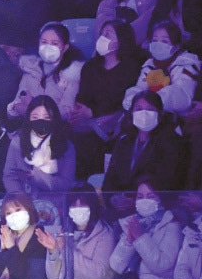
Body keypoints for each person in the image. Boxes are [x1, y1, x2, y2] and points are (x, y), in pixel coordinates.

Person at [70, 19, 143, 179]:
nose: (102, 38)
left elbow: (125, 100)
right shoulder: (90, 67)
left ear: (121, 40)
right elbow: (83, 96)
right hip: (90, 123)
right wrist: (83, 111)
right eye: (102, 34)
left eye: (108, 34)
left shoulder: (132, 68)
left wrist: (94, 112)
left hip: (118, 122)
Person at [104, 90, 184, 193]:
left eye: (150, 109)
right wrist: (113, 199)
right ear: (132, 113)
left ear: (159, 113)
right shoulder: (123, 141)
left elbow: (168, 180)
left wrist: (135, 199)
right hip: (120, 206)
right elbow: (110, 179)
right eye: (139, 109)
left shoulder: (171, 141)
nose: (144, 114)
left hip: (153, 203)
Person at [7, 22, 85, 121]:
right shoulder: (30, 69)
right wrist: (13, 109)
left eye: (54, 43)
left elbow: (67, 113)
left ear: (65, 48)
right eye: (44, 42)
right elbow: (15, 107)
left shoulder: (73, 74)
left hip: (58, 133)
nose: (48, 47)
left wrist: (31, 107)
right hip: (28, 131)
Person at [122, 20, 201, 115]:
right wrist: (132, 99)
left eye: (165, 41)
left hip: (178, 120)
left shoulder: (187, 62)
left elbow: (183, 94)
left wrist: (154, 101)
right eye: (155, 40)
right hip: (150, 114)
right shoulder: (150, 64)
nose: (158, 44)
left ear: (176, 46)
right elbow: (141, 87)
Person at [3, 95, 76, 194]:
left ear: (54, 119)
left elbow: (66, 182)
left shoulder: (66, 146)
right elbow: (9, 176)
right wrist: (19, 196)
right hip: (22, 202)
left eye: (46, 117)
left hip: (54, 203)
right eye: (35, 117)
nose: (40, 121)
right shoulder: (17, 143)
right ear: (29, 118)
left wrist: (36, 177)